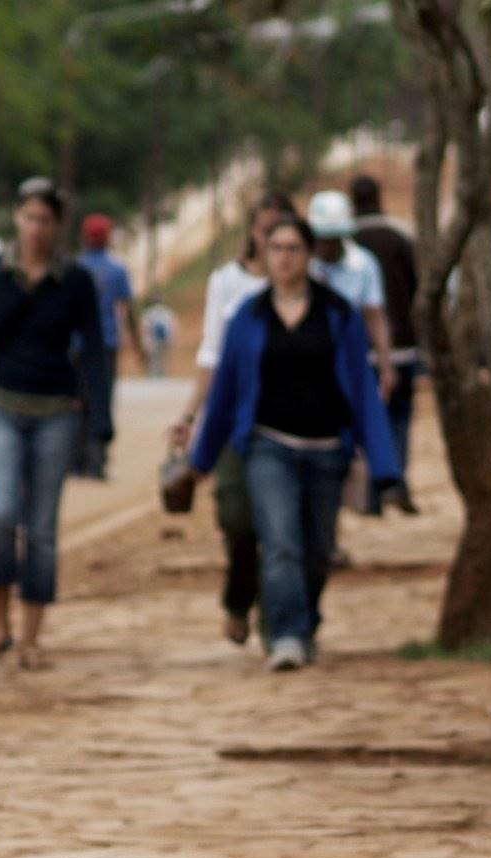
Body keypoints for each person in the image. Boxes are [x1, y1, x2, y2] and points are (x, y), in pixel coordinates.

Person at [189, 214, 399, 672]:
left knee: (317, 550)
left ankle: (305, 623)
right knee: (280, 542)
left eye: (293, 249)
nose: (284, 258)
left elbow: (361, 390)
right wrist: (201, 455)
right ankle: (285, 635)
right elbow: (226, 388)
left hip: (327, 449)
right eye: (276, 249)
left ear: (309, 255)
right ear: (265, 255)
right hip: (268, 445)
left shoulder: (338, 313)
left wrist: (383, 462)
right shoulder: (249, 316)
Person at [0, 178, 111, 669]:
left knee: (43, 529)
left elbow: (93, 351)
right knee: (2, 516)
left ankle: (32, 637)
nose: (36, 229)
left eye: (45, 220)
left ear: (58, 226)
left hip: (55, 408)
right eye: (29, 218)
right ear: (16, 219)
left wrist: (101, 419)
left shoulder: (75, 281)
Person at [169, 190, 294, 648]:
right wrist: (190, 416)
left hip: (290, 418)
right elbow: (212, 353)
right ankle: (240, 599)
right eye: (265, 232)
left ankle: (277, 619)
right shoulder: (228, 283)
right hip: (235, 419)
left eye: (283, 234)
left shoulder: (309, 289)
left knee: (281, 528)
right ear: (253, 235)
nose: (273, 243)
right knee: (239, 519)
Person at [307, 189, 396, 526]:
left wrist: (385, 365)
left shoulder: (364, 266)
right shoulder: (302, 266)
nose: (327, 246)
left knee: (344, 448)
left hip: (348, 370)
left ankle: (331, 525)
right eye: (322, 238)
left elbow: (375, 316)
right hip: (307, 369)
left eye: (334, 239)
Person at [348, 174, 421, 515]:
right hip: (403, 345)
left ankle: (373, 495)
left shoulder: (343, 242)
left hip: (357, 351)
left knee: (364, 420)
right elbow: (420, 289)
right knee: (399, 420)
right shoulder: (400, 237)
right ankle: (396, 484)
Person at [75, 212, 143, 479]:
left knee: (78, 400)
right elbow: (129, 309)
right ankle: (97, 462)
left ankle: (76, 461)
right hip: (106, 344)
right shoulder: (117, 270)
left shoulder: (76, 268)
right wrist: (138, 345)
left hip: (77, 345)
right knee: (102, 399)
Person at [141, 298, 176, 377]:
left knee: (155, 359)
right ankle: (159, 373)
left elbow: (146, 328)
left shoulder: (148, 313)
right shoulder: (167, 312)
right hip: (161, 339)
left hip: (155, 339)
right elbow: (171, 327)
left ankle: (156, 374)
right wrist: (171, 340)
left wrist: (147, 341)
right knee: (160, 358)